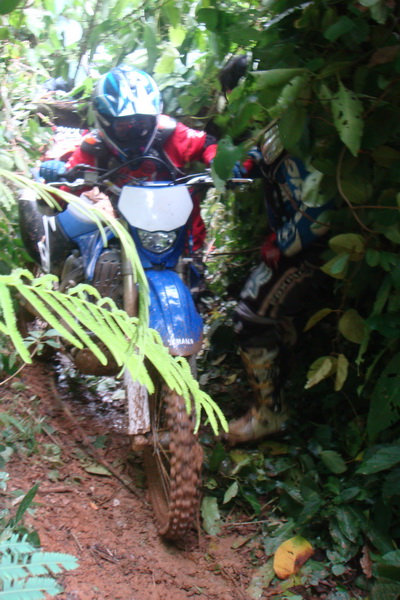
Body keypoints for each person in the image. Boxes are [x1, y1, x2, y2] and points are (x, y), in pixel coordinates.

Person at [217, 58, 332, 444]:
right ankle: (289, 398)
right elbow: (264, 164)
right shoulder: (277, 127)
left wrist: (282, 243)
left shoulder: (288, 130)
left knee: (250, 317)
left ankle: (270, 414)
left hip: (313, 247)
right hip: (304, 243)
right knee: (270, 313)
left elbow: (319, 211)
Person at [39, 64, 217, 256]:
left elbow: (206, 144)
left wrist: (221, 162)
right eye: (124, 126)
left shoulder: (169, 133)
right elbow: (54, 203)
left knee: (195, 270)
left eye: (142, 123)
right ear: (106, 122)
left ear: (153, 119)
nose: (135, 132)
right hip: (132, 241)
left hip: (187, 243)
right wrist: (56, 178)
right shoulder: (95, 149)